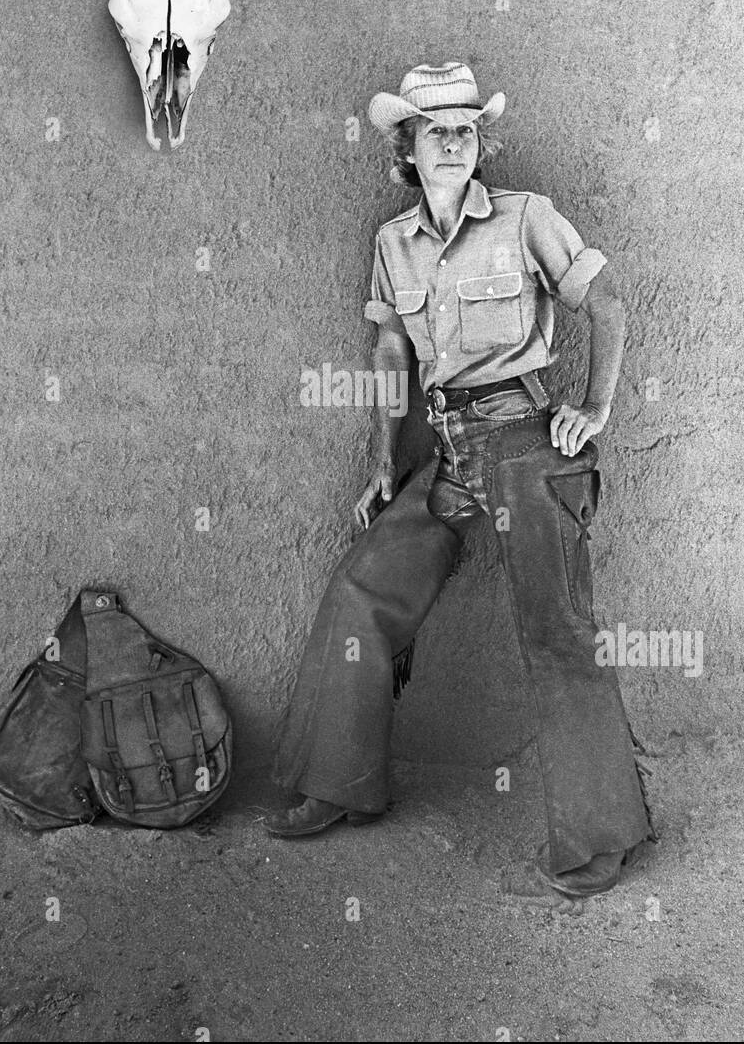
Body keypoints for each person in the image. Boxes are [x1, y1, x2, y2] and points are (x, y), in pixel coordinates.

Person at [266, 61, 653, 898]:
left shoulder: (525, 218)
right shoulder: (391, 244)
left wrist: (596, 408)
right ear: (406, 148)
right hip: (443, 454)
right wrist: (381, 459)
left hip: (521, 439)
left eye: (466, 129)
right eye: (434, 130)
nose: (452, 141)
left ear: (481, 144)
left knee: (556, 632)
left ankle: (603, 837)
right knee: (362, 591)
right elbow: (390, 351)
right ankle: (343, 785)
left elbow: (610, 304)